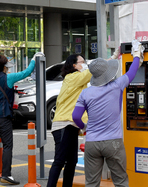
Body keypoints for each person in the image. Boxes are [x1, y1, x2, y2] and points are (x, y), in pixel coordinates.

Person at [72, 39, 145, 187]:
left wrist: (84, 127)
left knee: (91, 183)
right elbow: (132, 70)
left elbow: (75, 117)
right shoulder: (117, 85)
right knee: (120, 181)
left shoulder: (85, 93)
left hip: (92, 143)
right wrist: (137, 54)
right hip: (113, 142)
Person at [0, 52, 43, 185]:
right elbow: (27, 72)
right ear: (5, 67)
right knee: (7, 146)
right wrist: (34, 59)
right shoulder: (8, 78)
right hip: (4, 117)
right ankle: (6, 175)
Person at [46, 54, 92, 187]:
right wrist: (112, 58)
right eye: (82, 62)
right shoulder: (72, 77)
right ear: (74, 65)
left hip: (72, 126)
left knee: (72, 162)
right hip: (63, 124)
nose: (84, 65)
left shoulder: (79, 80)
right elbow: (91, 72)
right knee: (59, 161)